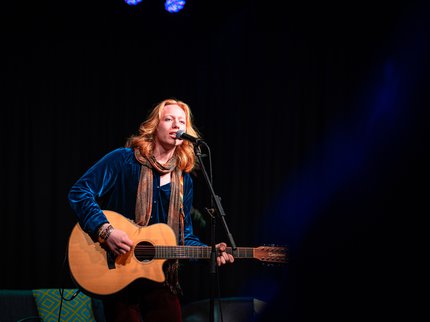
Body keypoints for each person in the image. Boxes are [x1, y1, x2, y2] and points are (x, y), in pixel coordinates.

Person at [68, 98, 235, 322]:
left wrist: (209, 252)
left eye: (182, 122)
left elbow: (183, 238)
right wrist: (105, 231)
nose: (177, 126)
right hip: (119, 276)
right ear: (155, 127)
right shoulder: (124, 160)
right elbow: (80, 192)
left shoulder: (184, 180)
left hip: (161, 280)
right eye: (169, 119)